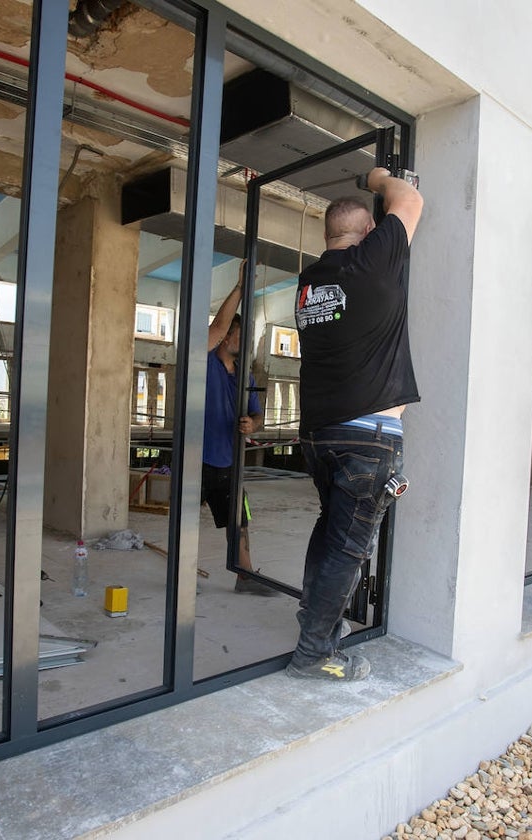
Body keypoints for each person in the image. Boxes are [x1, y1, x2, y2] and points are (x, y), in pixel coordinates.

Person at [287, 166, 423, 680]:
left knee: (329, 533)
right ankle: (315, 652)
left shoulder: (308, 282)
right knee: (348, 547)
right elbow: (408, 202)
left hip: (321, 434)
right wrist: (380, 176)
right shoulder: (373, 262)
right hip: (368, 439)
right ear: (370, 233)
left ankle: (313, 622)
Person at [202, 269, 277, 595]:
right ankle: (180, 576)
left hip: (229, 462)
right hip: (198, 458)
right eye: (239, 334)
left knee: (239, 519)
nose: (243, 341)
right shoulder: (202, 361)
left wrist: (252, 425)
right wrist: (239, 286)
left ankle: (244, 576)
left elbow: (257, 416)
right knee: (184, 520)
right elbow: (217, 326)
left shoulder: (243, 374)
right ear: (226, 336)